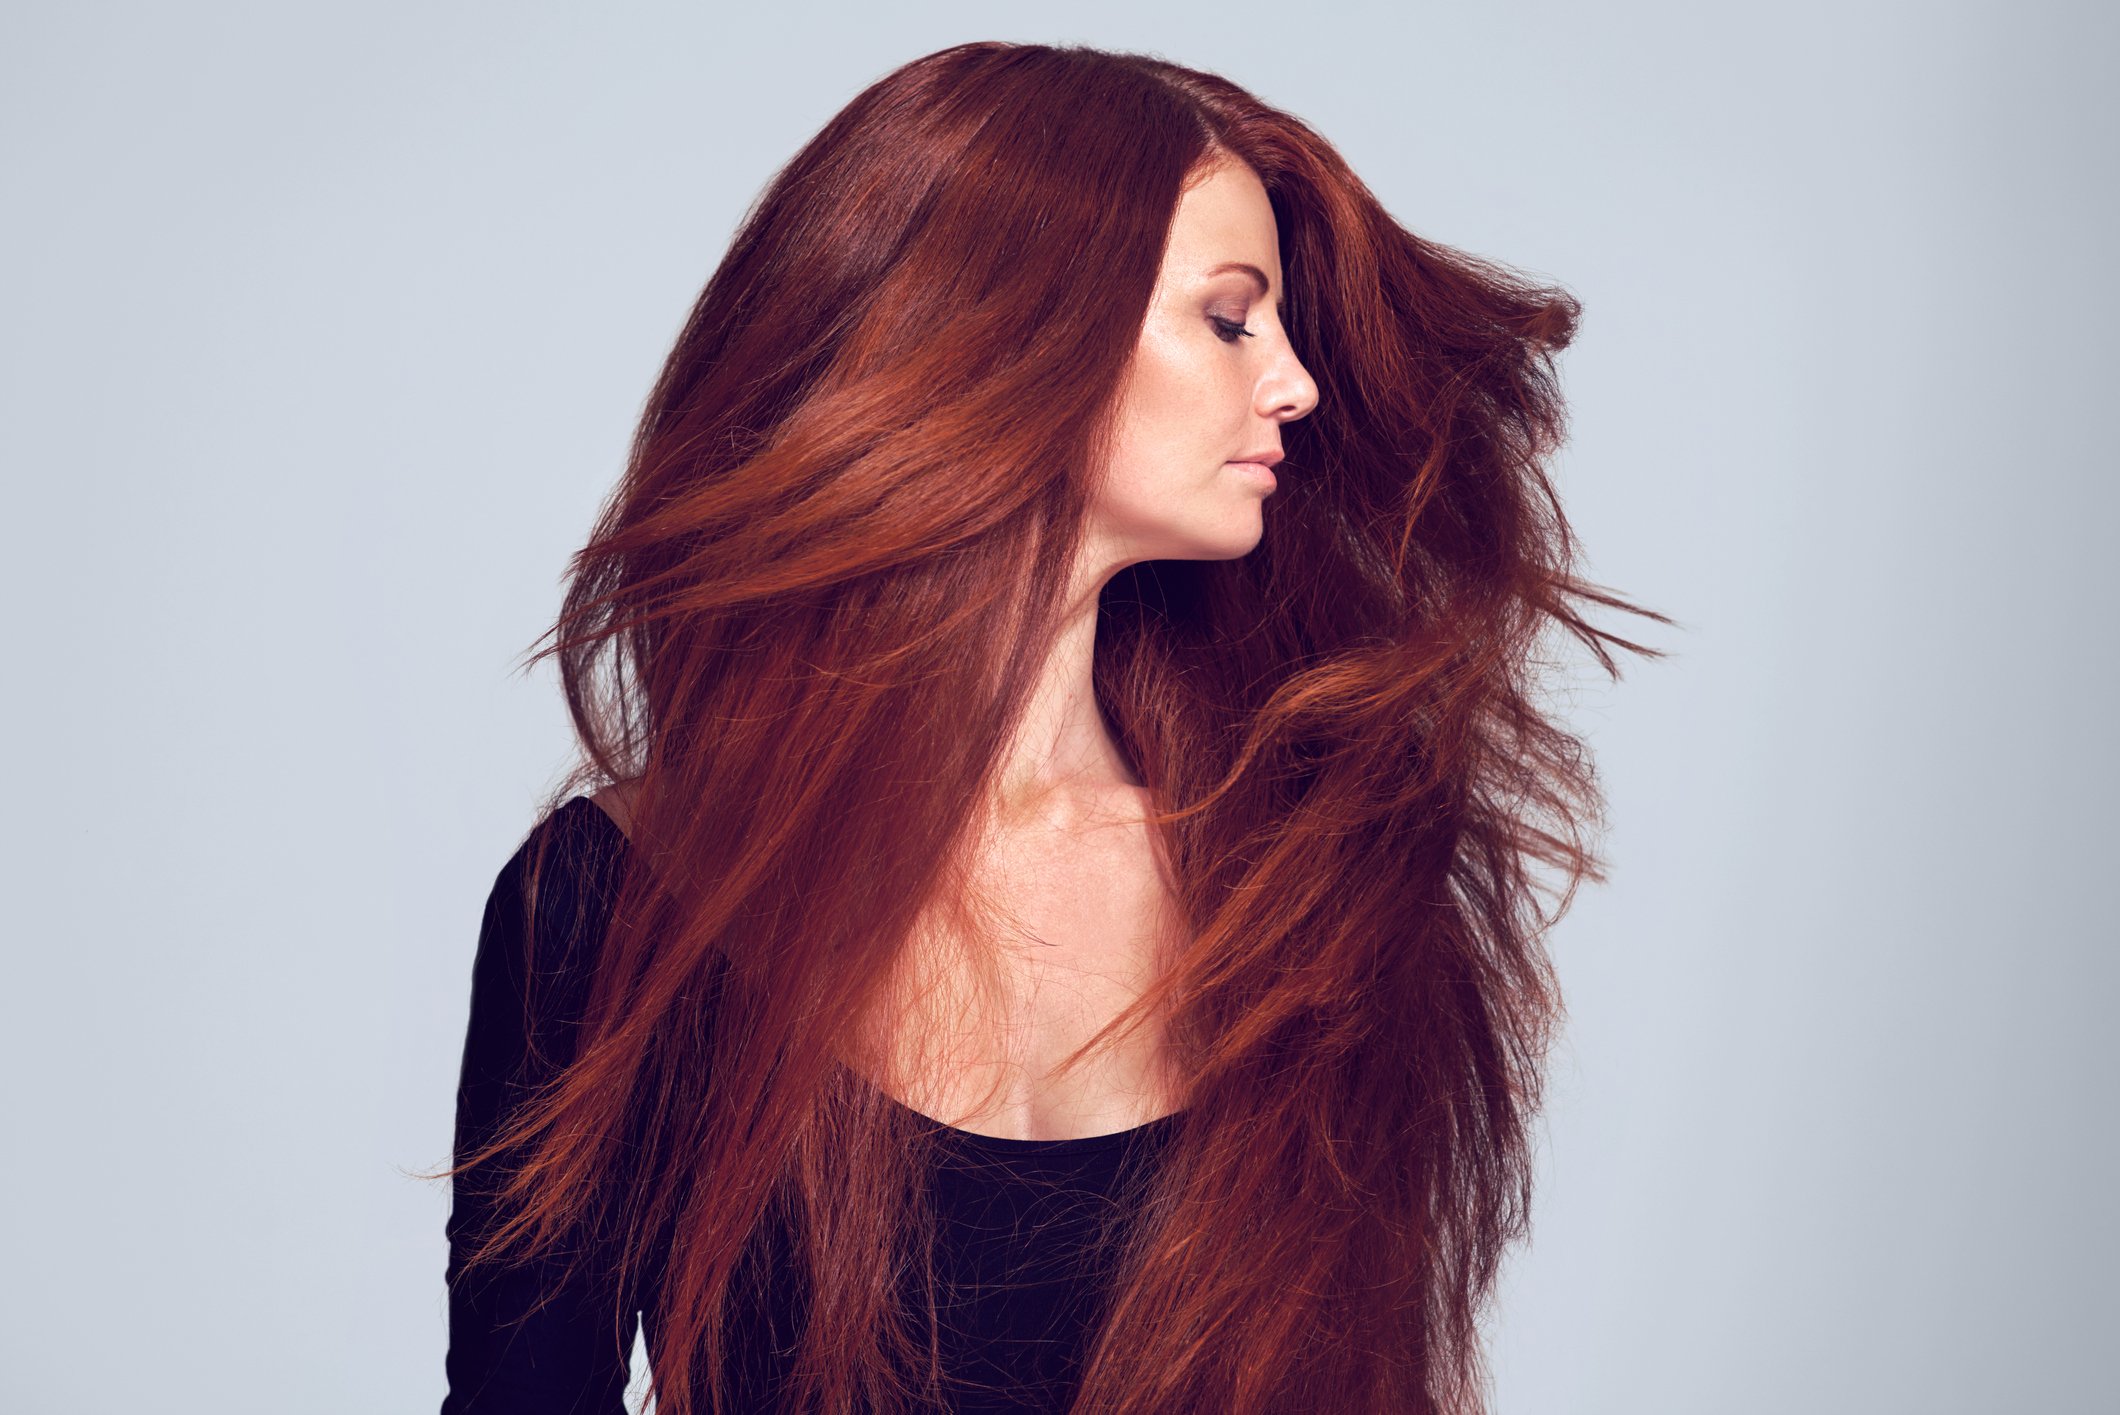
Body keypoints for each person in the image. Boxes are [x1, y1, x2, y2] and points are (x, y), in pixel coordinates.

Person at [427, 39, 1667, 1415]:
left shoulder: (1307, 884)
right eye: (1230, 317)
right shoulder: (610, 905)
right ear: (1012, 331)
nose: (1296, 384)